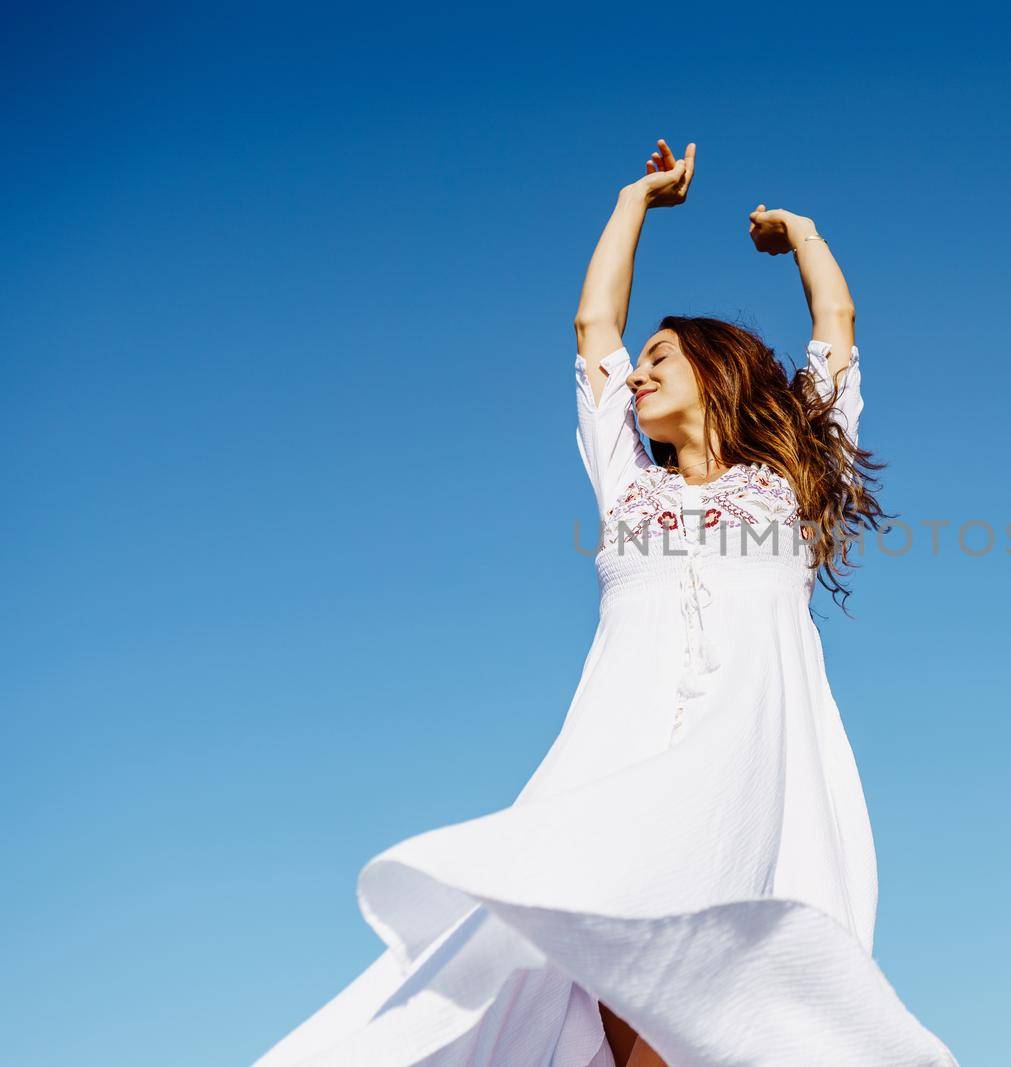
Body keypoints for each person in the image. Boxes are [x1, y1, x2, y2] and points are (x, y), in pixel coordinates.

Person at [252, 138, 958, 1067]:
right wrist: (635, 199)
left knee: (717, 991)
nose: (636, 375)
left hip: (748, 769)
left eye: (660, 358)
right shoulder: (626, 484)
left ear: (718, 370)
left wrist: (804, 234)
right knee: (611, 975)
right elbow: (594, 328)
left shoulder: (787, 484)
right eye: (638, 364)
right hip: (621, 759)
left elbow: (837, 326)